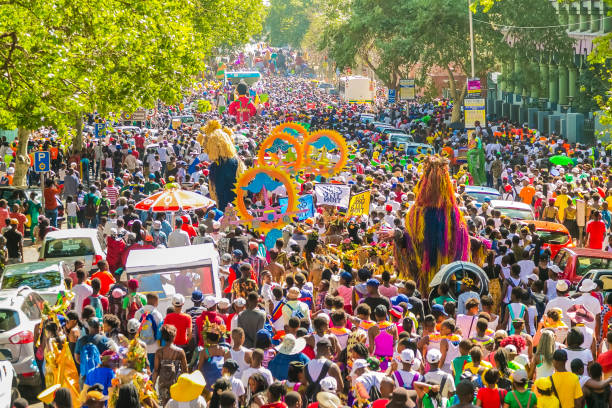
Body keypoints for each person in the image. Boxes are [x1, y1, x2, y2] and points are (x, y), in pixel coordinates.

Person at [152, 324, 188, 407]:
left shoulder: (159, 352)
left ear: (163, 337)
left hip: (163, 382)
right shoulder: (180, 351)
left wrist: (153, 385)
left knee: (165, 404)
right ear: (174, 336)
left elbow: (156, 370)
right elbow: (185, 370)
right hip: (176, 382)